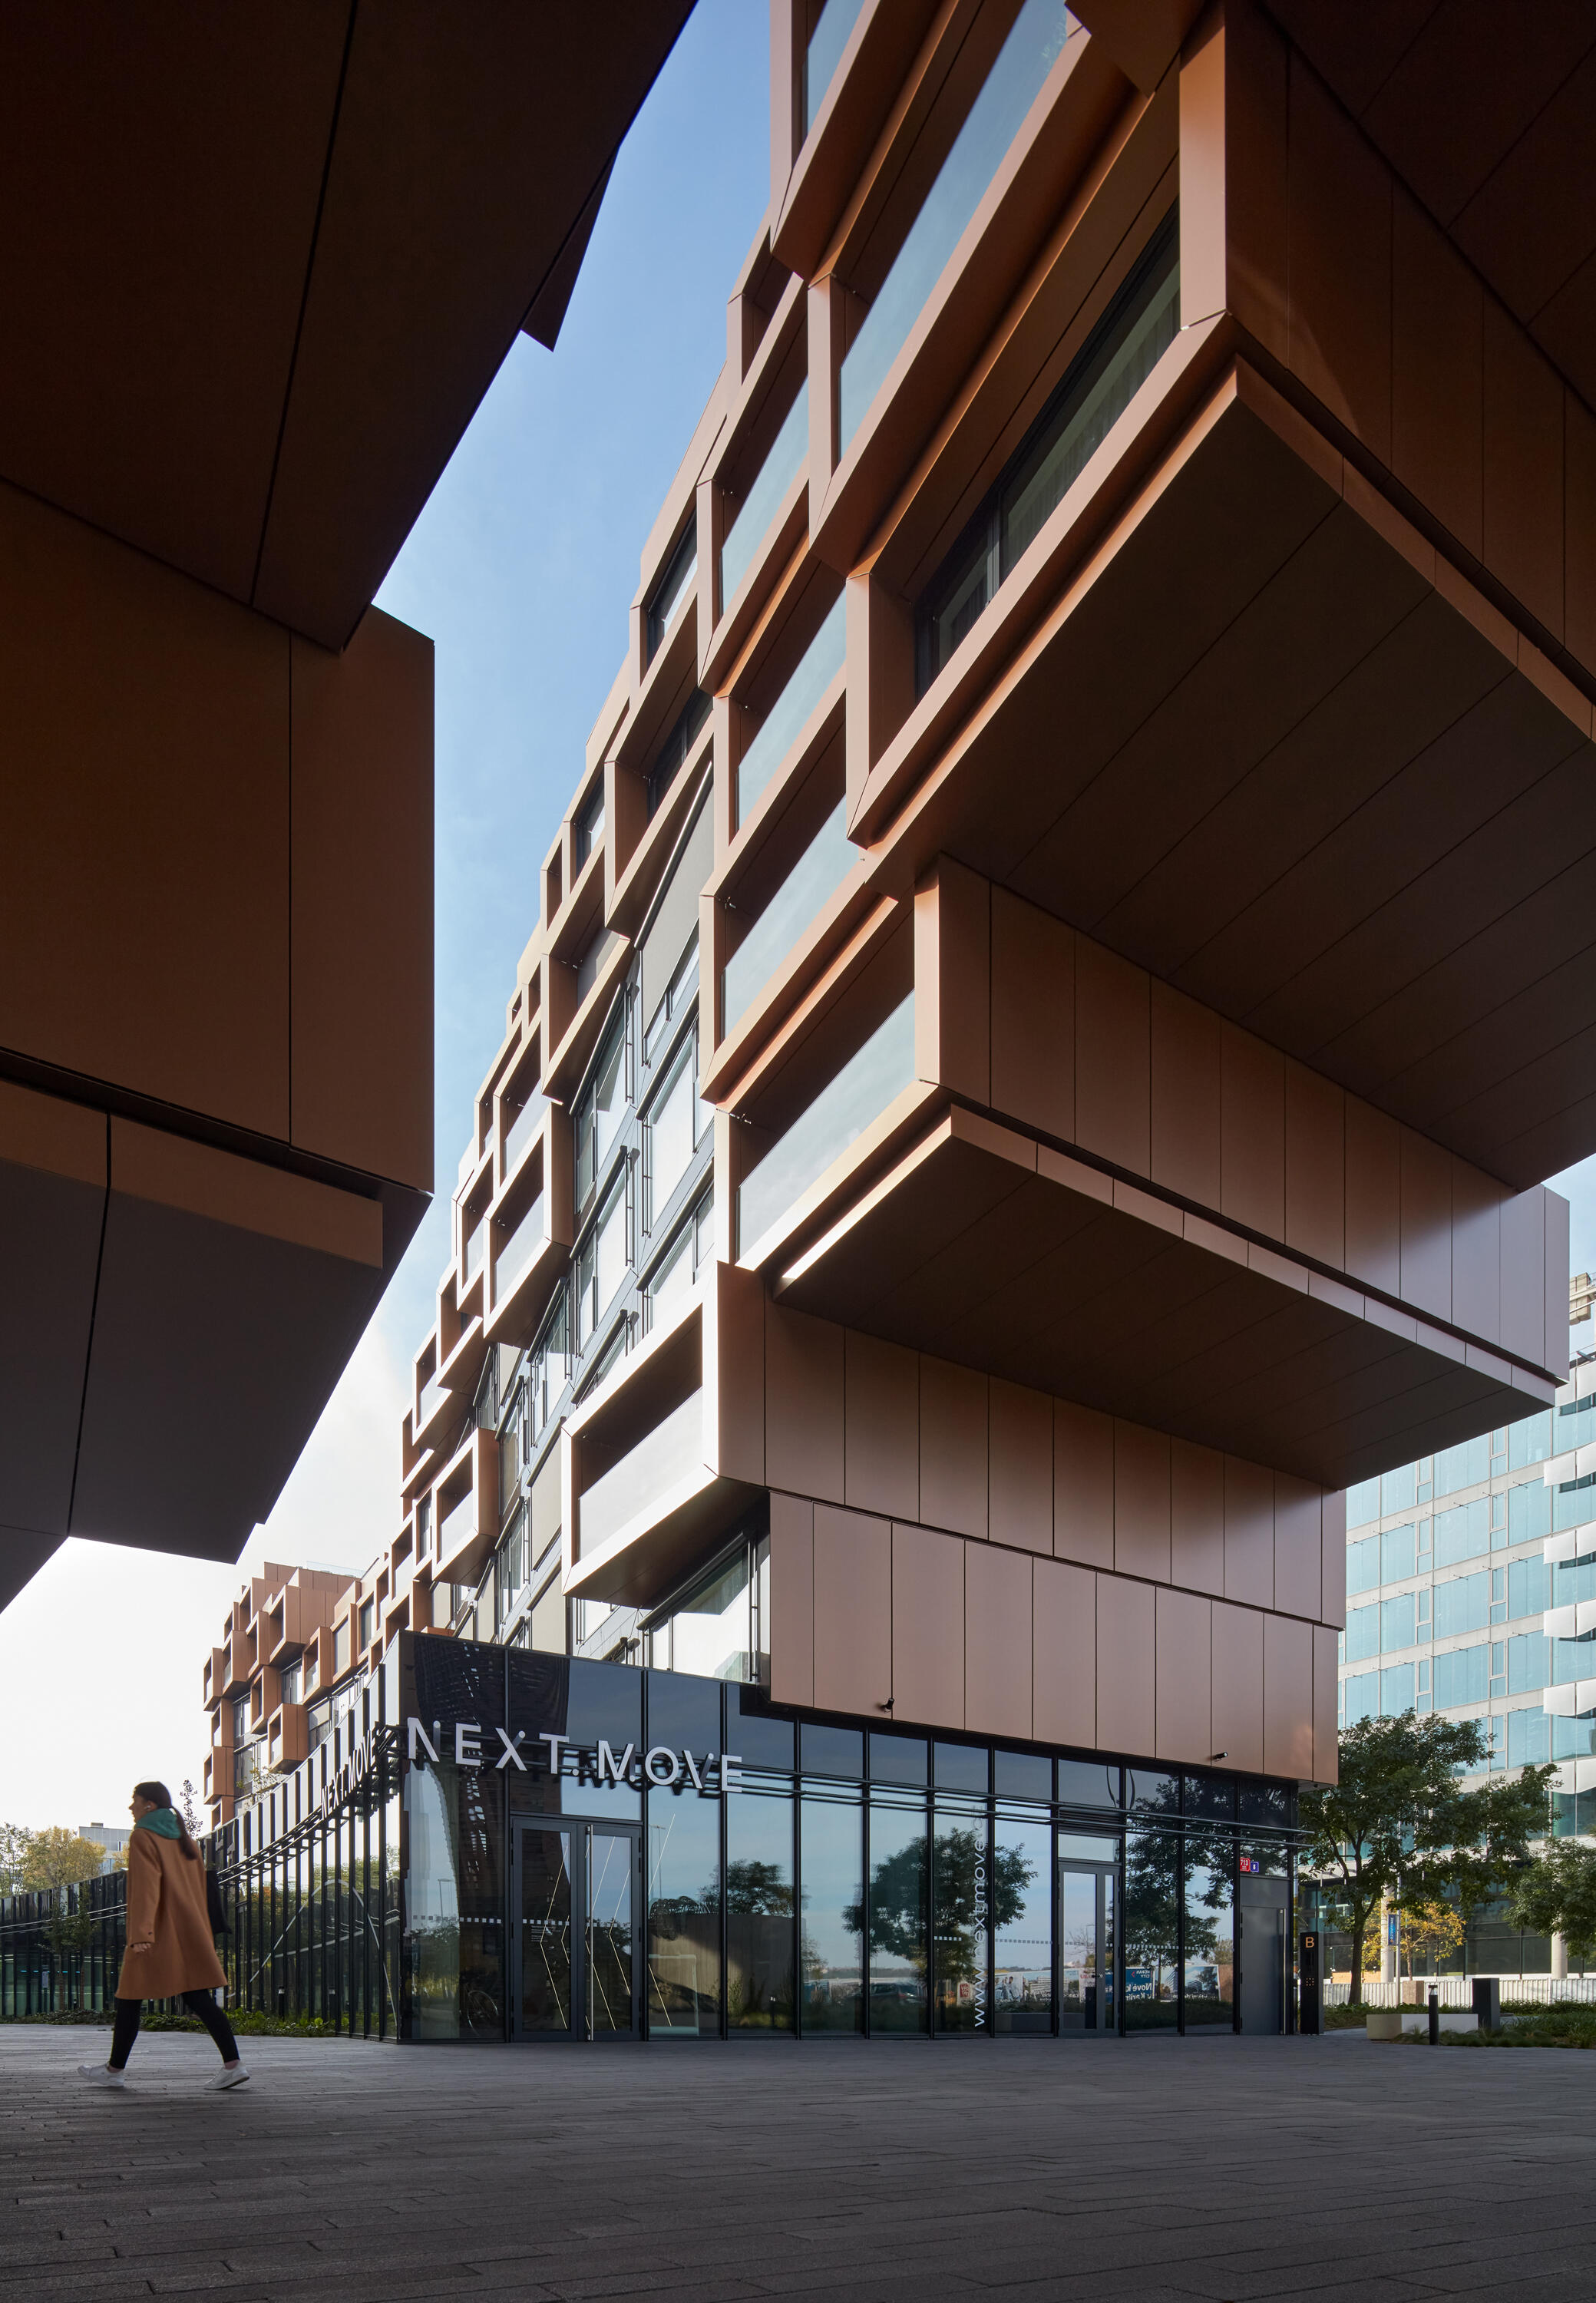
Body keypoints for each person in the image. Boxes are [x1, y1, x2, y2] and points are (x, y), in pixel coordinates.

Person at [78, 1781, 249, 2090]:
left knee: (129, 1997)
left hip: (156, 1932)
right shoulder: (186, 1840)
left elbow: (145, 1886)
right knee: (197, 1997)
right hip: (190, 1930)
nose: (131, 1807)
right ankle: (233, 2065)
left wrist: (141, 1932)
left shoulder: (143, 1836)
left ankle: (114, 2070)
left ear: (150, 1805)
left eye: (135, 1800)